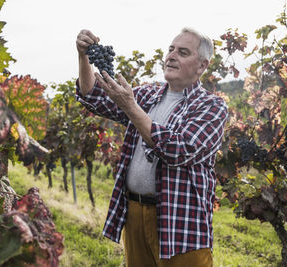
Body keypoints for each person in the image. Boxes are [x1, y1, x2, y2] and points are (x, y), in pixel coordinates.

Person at [75, 28, 228, 267]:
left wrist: (130, 107)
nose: (172, 56)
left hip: (181, 224)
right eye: (171, 49)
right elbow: (95, 98)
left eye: (183, 52)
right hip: (135, 213)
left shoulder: (211, 106)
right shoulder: (147, 94)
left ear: (201, 66)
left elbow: (178, 150)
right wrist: (83, 56)